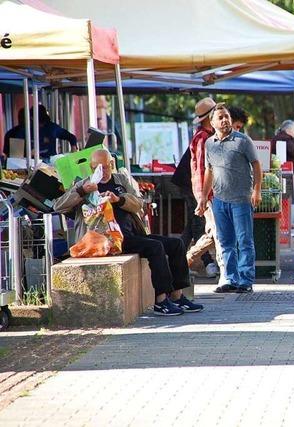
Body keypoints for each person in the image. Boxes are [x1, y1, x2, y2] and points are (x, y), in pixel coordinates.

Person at [54, 149, 203, 316]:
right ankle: (160, 301)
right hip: (106, 241)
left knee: (176, 244)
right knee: (155, 248)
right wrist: (82, 192)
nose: (102, 172)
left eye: (106, 167)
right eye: (98, 168)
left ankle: (177, 296)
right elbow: (59, 206)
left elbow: (138, 203)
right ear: (91, 167)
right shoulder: (84, 184)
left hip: (130, 234)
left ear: (112, 165)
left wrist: (119, 199)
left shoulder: (121, 180)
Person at [196, 104, 262, 294]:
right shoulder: (209, 143)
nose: (225, 120)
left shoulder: (243, 141)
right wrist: (203, 197)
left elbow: (256, 166)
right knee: (225, 243)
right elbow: (209, 171)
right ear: (212, 122)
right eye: (220, 117)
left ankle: (246, 280)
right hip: (219, 201)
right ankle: (230, 278)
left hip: (241, 199)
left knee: (244, 241)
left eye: (227, 116)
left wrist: (256, 191)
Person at [178, 98, 226, 279]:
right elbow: (201, 169)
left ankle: (181, 262)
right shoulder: (203, 138)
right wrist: (203, 196)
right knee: (210, 231)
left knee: (199, 229)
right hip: (204, 193)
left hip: (206, 192)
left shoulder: (207, 136)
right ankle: (190, 261)